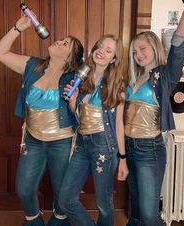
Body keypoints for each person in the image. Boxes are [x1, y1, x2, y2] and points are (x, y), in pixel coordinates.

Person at [0, 15, 84, 226]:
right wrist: (18, 27)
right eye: (61, 39)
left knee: (63, 192)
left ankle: (59, 221)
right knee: (24, 189)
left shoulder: (74, 78)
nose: (58, 41)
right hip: (33, 140)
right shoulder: (32, 66)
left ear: (70, 56)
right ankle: (33, 221)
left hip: (62, 141)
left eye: (65, 43)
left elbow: (84, 109)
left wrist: (75, 100)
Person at [124, 1, 184, 226]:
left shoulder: (164, 76)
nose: (138, 54)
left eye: (143, 49)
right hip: (128, 146)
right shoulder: (133, 78)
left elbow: (178, 46)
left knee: (149, 214)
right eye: (135, 51)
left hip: (149, 149)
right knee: (136, 210)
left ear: (154, 48)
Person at [58, 34, 129, 226]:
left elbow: (119, 124)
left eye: (109, 50)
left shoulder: (116, 85)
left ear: (113, 58)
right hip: (81, 145)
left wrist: (123, 159)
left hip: (104, 147)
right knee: (65, 199)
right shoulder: (81, 77)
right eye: (100, 47)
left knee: (104, 204)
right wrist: (72, 103)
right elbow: (77, 116)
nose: (102, 52)